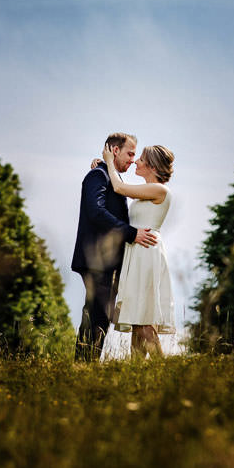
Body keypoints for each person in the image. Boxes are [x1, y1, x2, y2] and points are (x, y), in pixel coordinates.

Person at [72, 132, 157, 361]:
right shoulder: (97, 176)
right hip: (95, 259)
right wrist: (132, 234)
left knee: (99, 317)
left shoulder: (109, 176)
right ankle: (82, 367)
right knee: (95, 316)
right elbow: (96, 212)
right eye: (130, 153)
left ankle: (84, 366)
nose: (132, 159)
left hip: (107, 261)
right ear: (115, 151)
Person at [101, 142, 176, 358]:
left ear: (152, 166)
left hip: (146, 251)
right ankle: (136, 374)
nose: (136, 162)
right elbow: (121, 187)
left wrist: (108, 162)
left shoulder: (159, 189)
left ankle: (165, 372)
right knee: (138, 317)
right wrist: (106, 168)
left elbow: (120, 188)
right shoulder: (147, 190)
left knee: (143, 320)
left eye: (141, 159)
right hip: (139, 250)